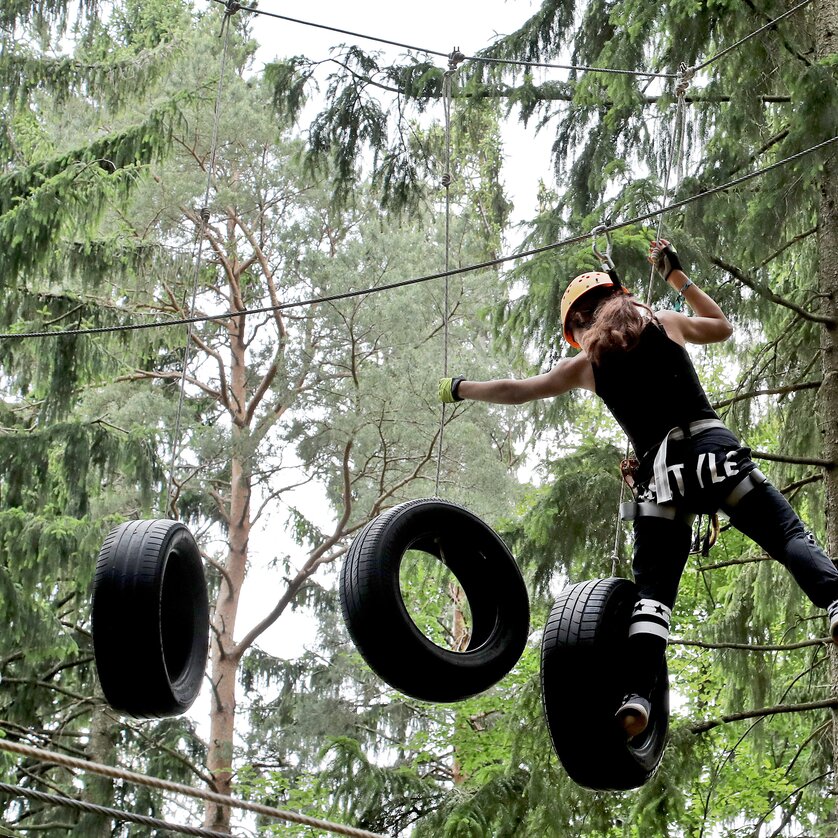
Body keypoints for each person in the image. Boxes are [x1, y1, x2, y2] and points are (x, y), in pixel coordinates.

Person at [439, 240, 838, 739]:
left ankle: (637, 698)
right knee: (783, 533)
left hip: (662, 482)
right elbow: (722, 327)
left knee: (652, 598)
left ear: (577, 328)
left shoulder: (585, 366)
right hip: (712, 454)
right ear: (616, 297)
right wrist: (677, 277)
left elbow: (517, 391)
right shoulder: (664, 323)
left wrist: (460, 387)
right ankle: (835, 601)